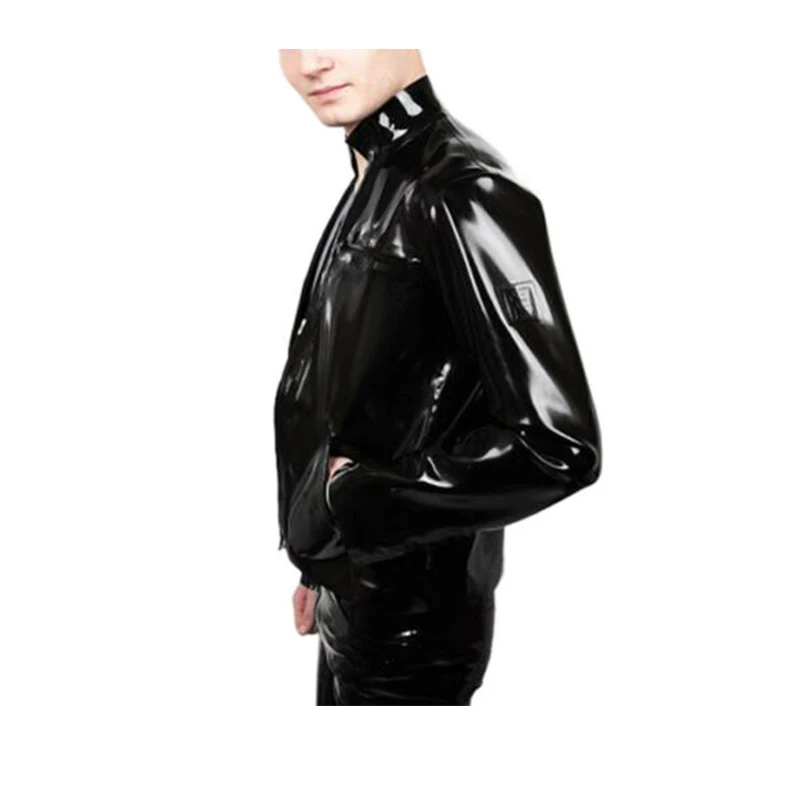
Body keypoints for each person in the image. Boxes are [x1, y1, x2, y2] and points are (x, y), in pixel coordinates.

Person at [274, 49, 602, 705]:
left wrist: (351, 504)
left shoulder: (463, 191)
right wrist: (321, 560)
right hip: (355, 603)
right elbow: (368, 395)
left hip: (412, 640)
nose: (312, 61)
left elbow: (558, 447)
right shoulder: (377, 172)